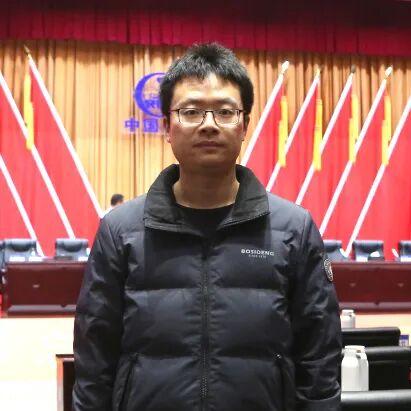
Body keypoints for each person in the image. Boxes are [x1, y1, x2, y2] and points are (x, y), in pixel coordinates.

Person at [73, 43, 341, 411]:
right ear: (167, 127)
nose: (209, 124)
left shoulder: (294, 229)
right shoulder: (120, 231)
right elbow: (94, 357)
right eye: (191, 111)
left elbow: (320, 355)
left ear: (244, 126)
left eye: (225, 112)